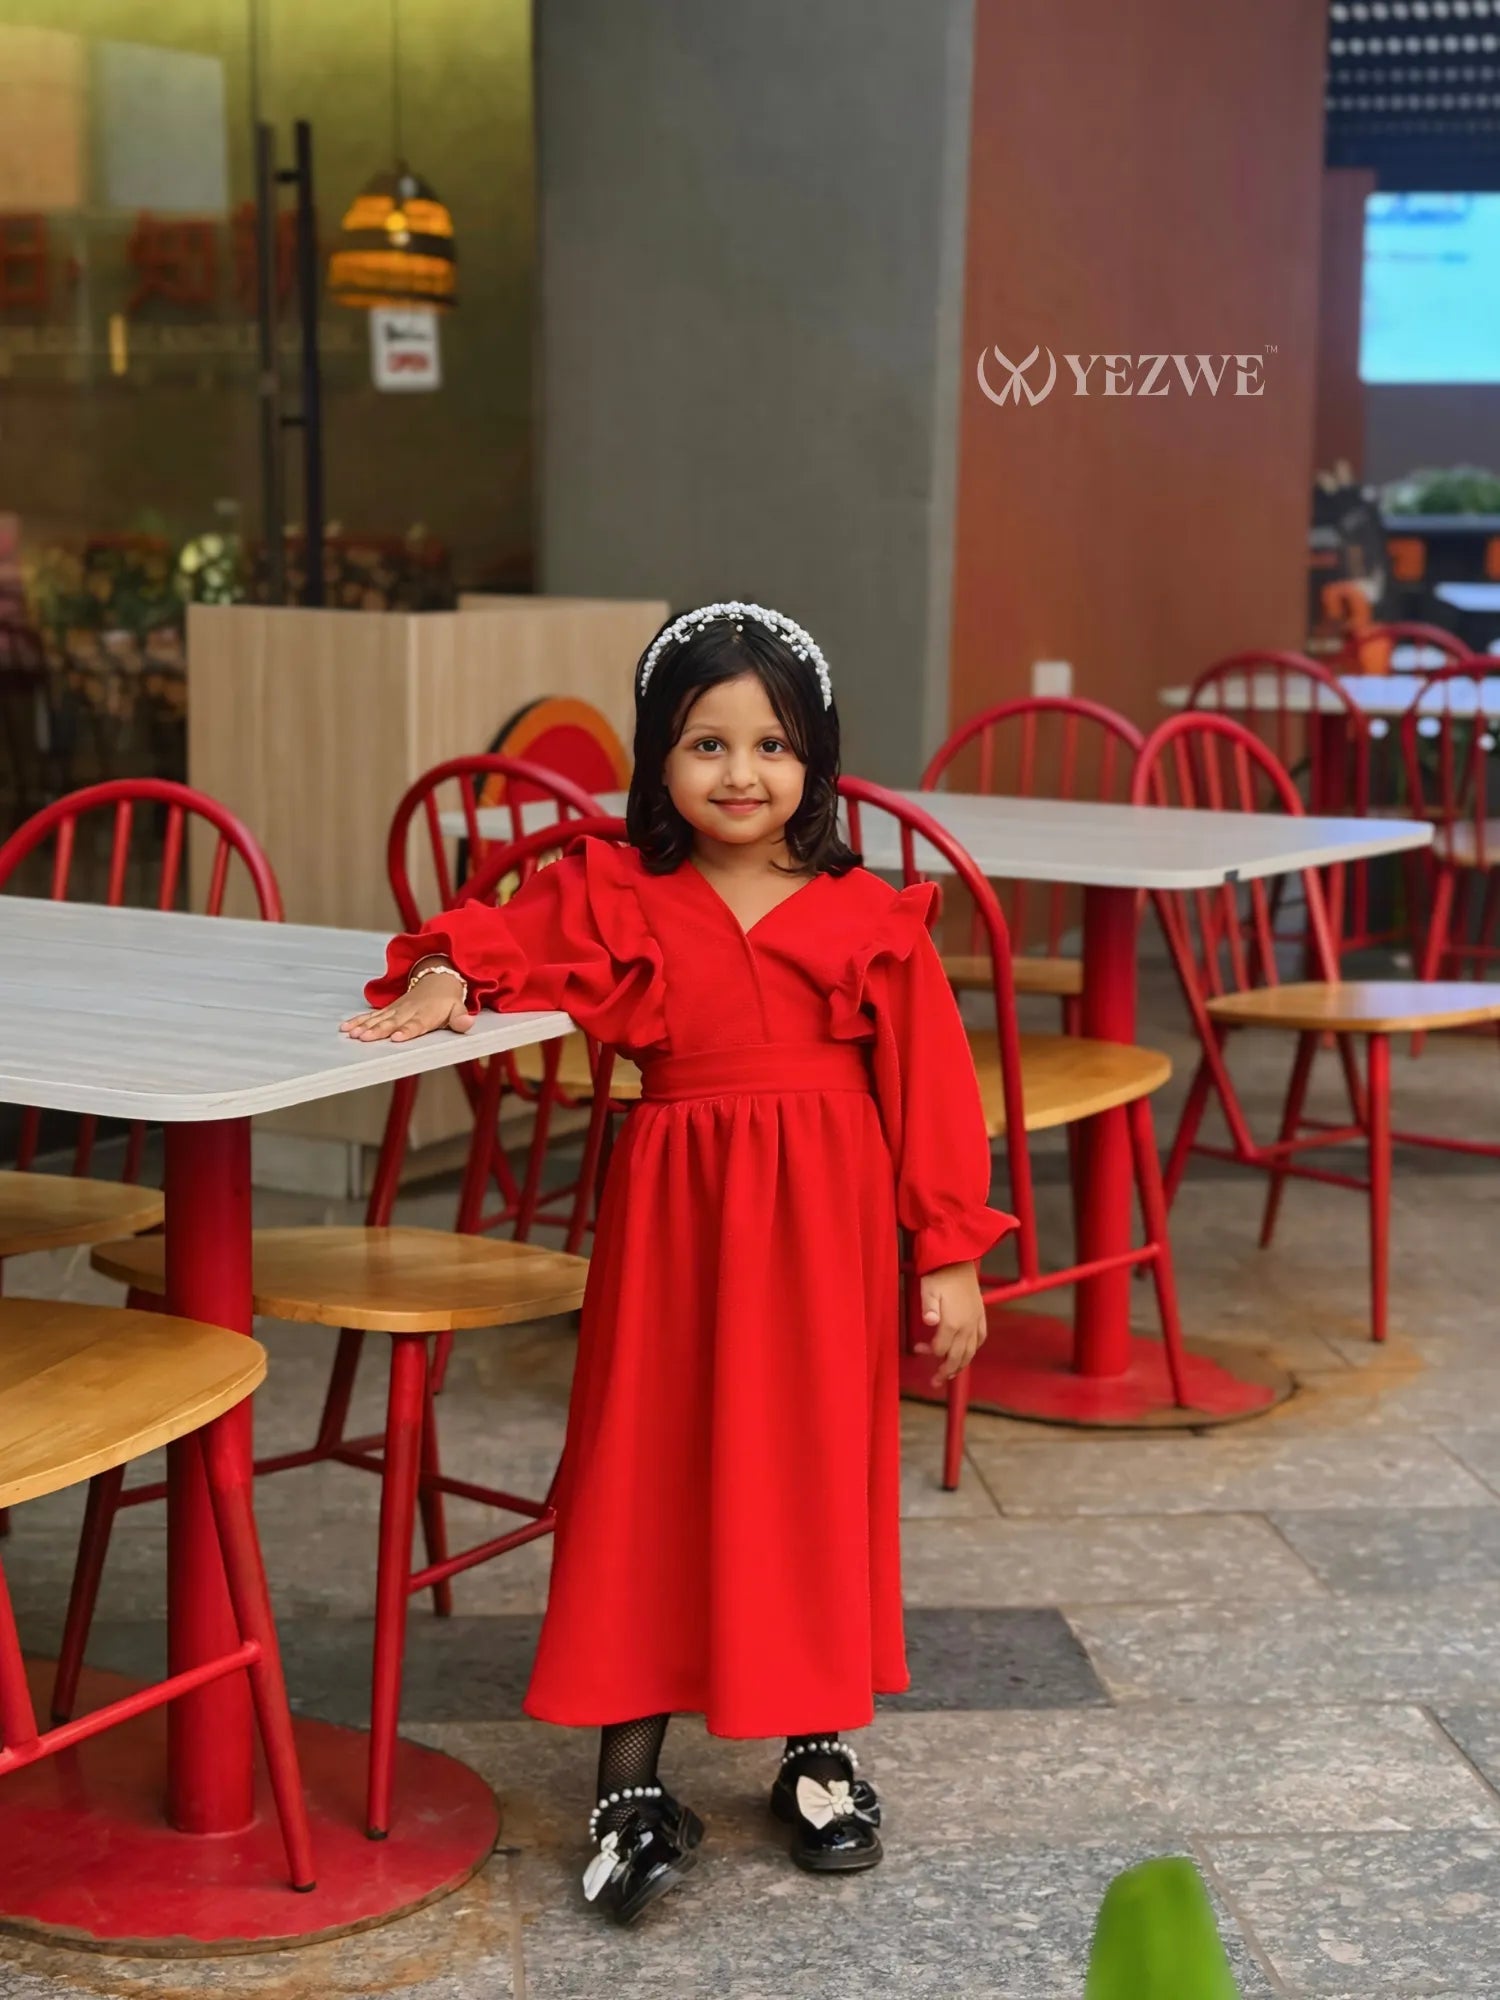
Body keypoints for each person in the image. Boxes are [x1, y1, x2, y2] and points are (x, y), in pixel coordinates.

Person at [342, 601, 1013, 1925]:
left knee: (811, 1464)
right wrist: (444, 978)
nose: (742, 772)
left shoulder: (868, 912)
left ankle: (814, 1750)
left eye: (773, 743)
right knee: (647, 1463)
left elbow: (936, 1088)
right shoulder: (613, 890)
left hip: (823, 1228)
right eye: (706, 743)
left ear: (815, 757)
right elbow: (490, 934)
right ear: (657, 758)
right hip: (674, 1228)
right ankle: (628, 1779)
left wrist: (949, 1254)